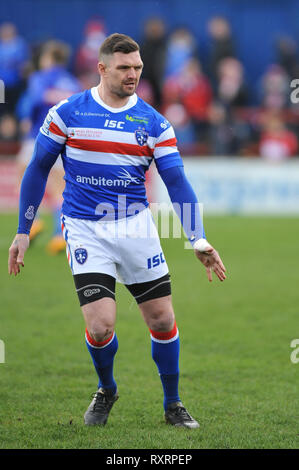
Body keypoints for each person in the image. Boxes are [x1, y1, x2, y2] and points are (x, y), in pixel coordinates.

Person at [8, 33, 226, 429]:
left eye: (138, 67)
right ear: (102, 67)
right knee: (100, 325)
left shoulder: (154, 123)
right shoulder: (67, 113)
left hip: (136, 228)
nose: (133, 74)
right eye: (125, 67)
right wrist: (23, 230)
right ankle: (107, 389)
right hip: (84, 229)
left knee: (161, 319)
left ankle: (173, 403)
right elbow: (38, 168)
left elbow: (176, 182)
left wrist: (198, 237)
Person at [16, 40, 82, 253]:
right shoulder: (72, 82)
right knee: (59, 188)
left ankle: (33, 221)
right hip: (65, 140)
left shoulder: (39, 78)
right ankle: (58, 235)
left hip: (39, 135)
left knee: (23, 176)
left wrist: (26, 119)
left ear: (48, 58)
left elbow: (34, 102)